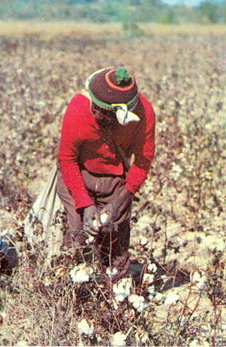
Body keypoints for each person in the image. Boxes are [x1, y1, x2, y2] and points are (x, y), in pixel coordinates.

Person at [56, 67, 155, 281]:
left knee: (114, 244)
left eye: (101, 113)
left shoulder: (144, 113)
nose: (95, 114)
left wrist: (120, 201)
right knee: (77, 237)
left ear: (120, 116)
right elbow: (66, 159)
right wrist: (85, 203)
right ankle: (68, 293)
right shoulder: (78, 108)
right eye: (94, 108)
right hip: (79, 173)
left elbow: (143, 159)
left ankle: (111, 296)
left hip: (115, 178)